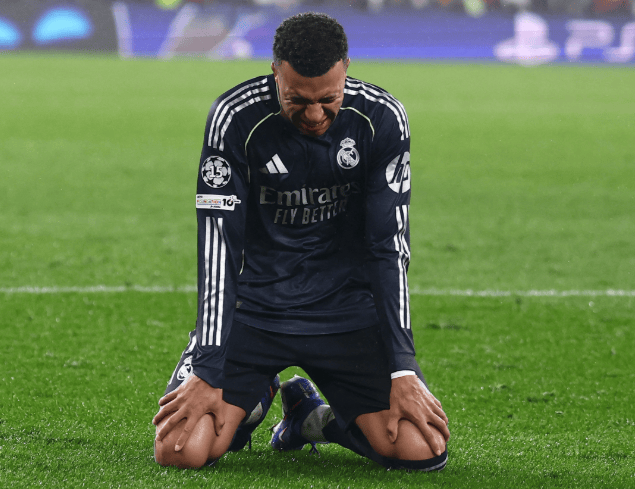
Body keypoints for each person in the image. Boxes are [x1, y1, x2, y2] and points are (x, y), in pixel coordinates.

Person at [152, 12, 450, 471]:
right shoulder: (235, 117)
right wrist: (208, 367)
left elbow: (388, 247)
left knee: (420, 449)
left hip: (346, 313)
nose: (314, 115)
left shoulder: (381, 118)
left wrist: (402, 367)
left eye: (328, 99)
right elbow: (218, 245)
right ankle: (254, 399)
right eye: (297, 99)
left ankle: (311, 418)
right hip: (255, 312)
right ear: (276, 71)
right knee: (179, 450)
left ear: (346, 69)